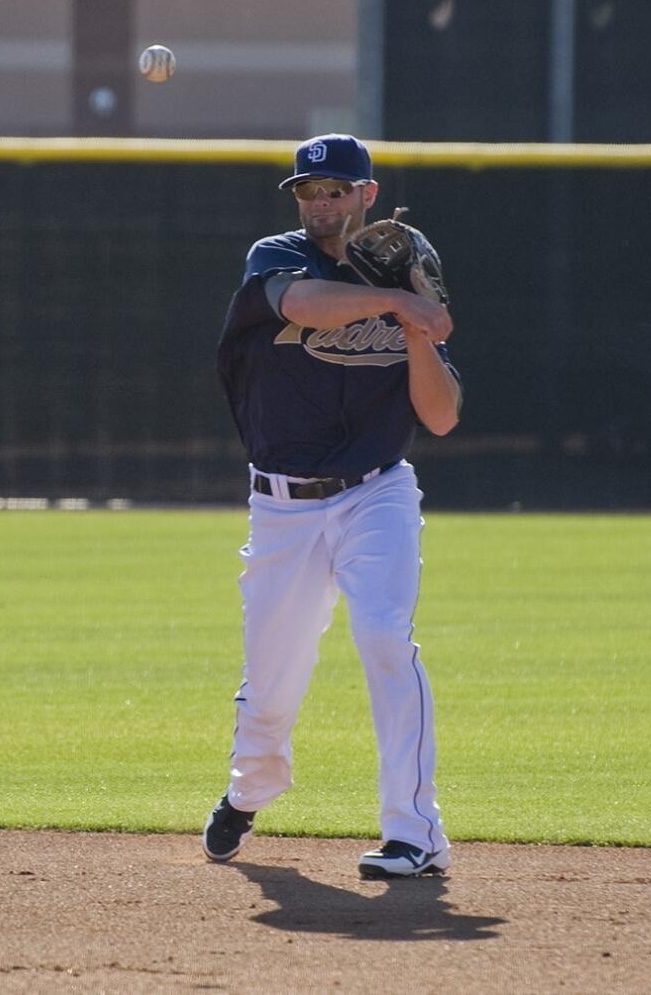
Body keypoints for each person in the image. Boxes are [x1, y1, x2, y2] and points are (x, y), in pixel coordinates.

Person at [203, 134, 462, 879]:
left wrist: (418, 322)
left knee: (385, 639)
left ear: (367, 196)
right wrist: (397, 298)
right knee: (273, 688)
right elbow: (307, 308)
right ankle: (249, 792)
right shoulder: (276, 256)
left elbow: (440, 417)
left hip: (377, 490)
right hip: (284, 507)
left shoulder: (400, 278)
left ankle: (416, 834)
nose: (320, 205)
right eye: (309, 192)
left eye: (335, 191)